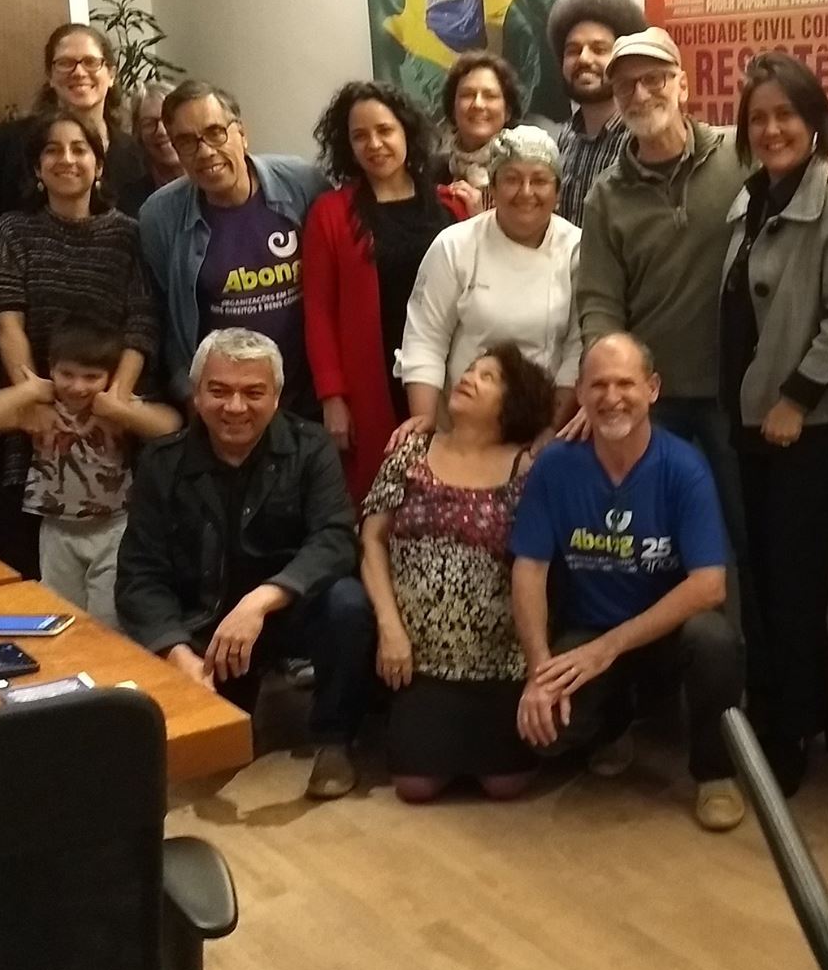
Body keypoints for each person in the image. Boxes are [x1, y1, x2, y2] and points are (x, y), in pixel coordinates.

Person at [572, 27, 828, 624]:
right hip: (656, 403)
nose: (641, 93)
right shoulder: (606, 197)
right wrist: (609, 384)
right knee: (655, 548)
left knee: (751, 546)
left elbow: (805, 178)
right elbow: (599, 302)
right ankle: (676, 671)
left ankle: (753, 676)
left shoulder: (741, 154)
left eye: (655, 79)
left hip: (739, 400)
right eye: (626, 86)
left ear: (683, 85)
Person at [116, 328, 376, 800]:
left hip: (285, 612)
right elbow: (139, 575)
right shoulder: (160, 462)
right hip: (206, 626)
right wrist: (176, 651)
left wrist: (260, 601)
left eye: (253, 392)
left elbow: (336, 539)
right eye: (219, 390)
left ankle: (334, 740)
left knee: (348, 603)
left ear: (276, 397)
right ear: (196, 394)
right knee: (197, 761)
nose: (235, 407)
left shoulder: (311, 447)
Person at [509, 334, 746, 832]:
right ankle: (612, 727)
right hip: (588, 632)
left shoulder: (684, 467)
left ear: (652, 389)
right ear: (580, 392)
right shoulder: (555, 465)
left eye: (625, 384)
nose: (611, 397)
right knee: (543, 737)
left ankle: (716, 774)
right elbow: (528, 568)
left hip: (665, 639)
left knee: (714, 640)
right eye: (598, 385)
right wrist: (538, 671)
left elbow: (710, 586)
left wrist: (609, 648)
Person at [720, 53, 828, 794]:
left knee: (793, 582)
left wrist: (795, 401)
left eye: (786, 114)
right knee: (770, 579)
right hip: (751, 421)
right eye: (758, 118)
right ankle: (816, 710)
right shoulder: (751, 198)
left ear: (816, 121)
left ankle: (785, 737)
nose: (772, 128)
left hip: (810, 426)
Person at [360, 343, 557, 802]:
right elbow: (371, 541)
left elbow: (538, 567)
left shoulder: (530, 469)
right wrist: (390, 627)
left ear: (514, 403)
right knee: (414, 786)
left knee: (505, 785)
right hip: (417, 658)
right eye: (469, 370)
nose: (468, 378)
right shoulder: (411, 450)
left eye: (489, 377)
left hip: (500, 661)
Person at [300, 81, 472, 507]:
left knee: (451, 491)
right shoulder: (330, 215)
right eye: (360, 136)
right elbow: (318, 312)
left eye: (384, 130)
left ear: (406, 132)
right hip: (371, 382)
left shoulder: (451, 206)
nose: (374, 144)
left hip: (450, 374)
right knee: (382, 497)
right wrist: (332, 397)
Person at [0, 320, 182, 625]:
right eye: (67, 374)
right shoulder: (40, 410)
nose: (78, 387)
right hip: (57, 531)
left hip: (113, 530)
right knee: (63, 617)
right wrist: (28, 390)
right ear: (51, 369)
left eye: (91, 377)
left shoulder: (114, 410)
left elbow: (170, 425)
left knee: (108, 619)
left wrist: (121, 411)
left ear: (108, 376)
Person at [139, 80, 328, 411]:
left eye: (215, 133)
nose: (205, 151)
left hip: (309, 398)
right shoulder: (160, 217)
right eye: (187, 141)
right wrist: (189, 396)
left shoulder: (304, 184)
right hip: (224, 408)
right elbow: (164, 318)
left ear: (242, 134)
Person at [395, 125, 582, 443]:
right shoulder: (454, 245)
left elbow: (577, 348)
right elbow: (425, 340)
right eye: (511, 179)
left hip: (543, 427)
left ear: (558, 192)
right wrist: (424, 431)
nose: (526, 192)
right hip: (461, 426)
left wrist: (551, 432)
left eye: (539, 180)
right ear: (492, 188)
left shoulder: (577, 249)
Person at [0, 109, 156, 401]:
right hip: (29, 399)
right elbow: (6, 322)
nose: (66, 159)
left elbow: (142, 325)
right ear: (37, 168)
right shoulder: (11, 232)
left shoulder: (129, 235)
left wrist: (114, 401)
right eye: (52, 150)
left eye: (79, 149)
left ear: (99, 166)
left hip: (115, 401)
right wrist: (36, 398)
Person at [0, 23, 144, 230]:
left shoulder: (134, 153)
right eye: (65, 63)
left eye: (91, 62)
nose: (79, 72)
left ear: (111, 75)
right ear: (50, 76)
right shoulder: (5, 142)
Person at [546, 0, 649, 224]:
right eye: (573, 50)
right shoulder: (563, 139)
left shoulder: (644, 139)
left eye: (599, 49)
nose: (584, 59)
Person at [434, 52, 523, 205]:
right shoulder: (432, 173)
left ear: (508, 110)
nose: (478, 104)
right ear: (453, 108)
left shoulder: (526, 170)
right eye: (467, 95)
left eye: (490, 96)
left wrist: (479, 216)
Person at [120, 78, 184, 215]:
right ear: (138, 133)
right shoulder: (130, 199)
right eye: (149, 123)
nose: (161, 131)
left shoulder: (211, 184)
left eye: (168, 119)